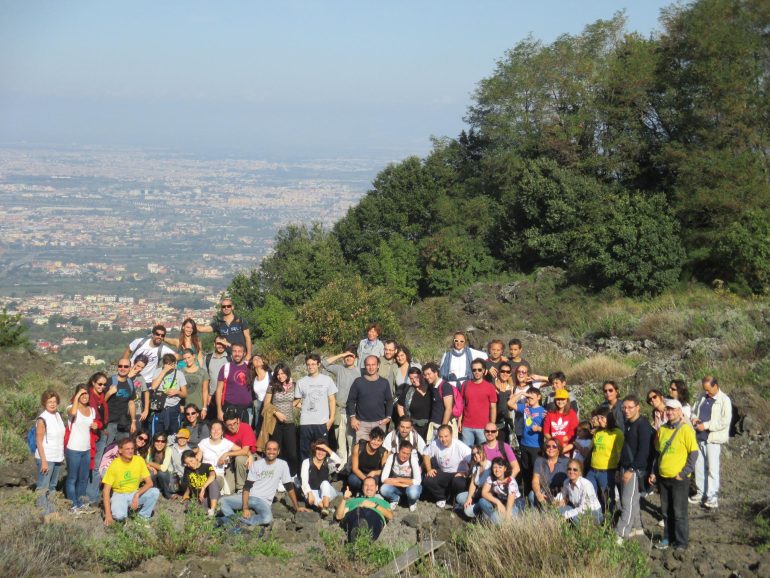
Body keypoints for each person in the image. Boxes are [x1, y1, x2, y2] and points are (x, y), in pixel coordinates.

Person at [649, 398, 699, 551]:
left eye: (672, 410)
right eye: (667, 410)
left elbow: (694, 453)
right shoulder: (662, 430)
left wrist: (683, 473)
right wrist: (653, 472)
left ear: (679, 411)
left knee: (679, 512)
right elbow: (658, 453)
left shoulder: (686, 430)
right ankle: (667, 538)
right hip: (663, 477)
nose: (669, 412)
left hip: (679, 479)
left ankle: (681, 542)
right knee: (666, 511)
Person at [219, 440, 306, 525]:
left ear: (278, 452)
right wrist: (245, 507)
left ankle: (237, 521)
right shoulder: (256, 464)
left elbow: (289, 487)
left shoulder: (282, 465)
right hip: (249, 496)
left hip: (263, 501)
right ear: (265, 450)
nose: (271, 451)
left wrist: (296, 507)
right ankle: (234, 521)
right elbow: (247, 487)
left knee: (267, 518)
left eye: (274, 449)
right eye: (269, 449)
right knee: (222, 501)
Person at [616, 394, 654, 541]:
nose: (626, 410)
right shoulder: (628, 424)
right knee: (633, 500)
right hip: (625, 467)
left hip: (634, 469)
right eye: (624, 407)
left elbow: (643, 451)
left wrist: (631, 470)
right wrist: (621, 468)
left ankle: (620, 533)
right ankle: (636, 528)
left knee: (627, 502)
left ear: (638, 407)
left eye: (630, 407)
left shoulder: (643, 425)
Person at [690, 375, 732, 509]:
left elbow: (724, 422)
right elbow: (693, 411)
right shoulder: (702, 397)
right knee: (699, 467)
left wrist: (706, 425)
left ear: (715, 385)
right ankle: (701, 492)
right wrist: (694, 419)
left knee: (712, 469)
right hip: (699, 437)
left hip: (713, 439)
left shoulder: (724, 400)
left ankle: (712, 495)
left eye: (708, 390)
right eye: (705, 389)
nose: (706, 392)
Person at [102, 437, 160, 526]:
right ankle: (125, 512)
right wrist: (108, 514)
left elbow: (150, 483)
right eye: (127, 449)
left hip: (134, 492)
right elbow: (106, 491)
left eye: (132, 448)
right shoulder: (114, 465)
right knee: (118, 516)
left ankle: (142, 517)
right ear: (120, 450)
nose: (130, 451)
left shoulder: (139, 460)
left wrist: (137, 494)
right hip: (120, 494)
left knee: (155, 492)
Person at [322, 347, 360, 463]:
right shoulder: (339, 369)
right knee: (340, 441)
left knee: (352, 440)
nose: (348, 358)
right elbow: (324, 364)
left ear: (356, 358)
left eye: (351, 356)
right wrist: (341, 355)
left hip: (353, 412)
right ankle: (341, 466)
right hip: (339, 410)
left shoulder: (360, 371)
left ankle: (351, 465)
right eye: (346, 356)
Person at [295, 354, 337, 461]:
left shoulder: (327, 380)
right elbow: (296, 402)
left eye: (313, 364)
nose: (310, 366)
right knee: (305, 450)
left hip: (321, 422)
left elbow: (332, 400)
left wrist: (331, 419)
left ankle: (322, 474)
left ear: (318, 364)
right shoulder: (301, 382)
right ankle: (305, 475)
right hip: (305, 423)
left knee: (322, 450)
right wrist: (304, 407)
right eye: (308, 364)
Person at [421, 425, 471, 508]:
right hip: (444, 473)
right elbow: (425, 454)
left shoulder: (460, 446)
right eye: (441, 436)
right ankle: (441, 498)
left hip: (459, 473)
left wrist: (466, 473)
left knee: (458, 482)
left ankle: (455, 501)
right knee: (428, 480)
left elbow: (473, 460)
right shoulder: (435, 443)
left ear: (451, 435)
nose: (443, 439)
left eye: (446, 436)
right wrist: (429, 469)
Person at [65, 384, 97, 514]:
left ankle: (81, 502)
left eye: (86, 394)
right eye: (82, 394)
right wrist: (77, 396)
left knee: (83, 478)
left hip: (86, 449)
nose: (85, 396)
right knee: (72, 478)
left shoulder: (92, 410)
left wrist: (94, 426)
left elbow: (90, 426)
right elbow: (72, 413)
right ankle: (73, 505)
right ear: (77, 395)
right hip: (73, 448)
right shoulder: (71, 408)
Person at [586, 407, 624, 515]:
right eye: (598, 418)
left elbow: (620, 453)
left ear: (609, 418)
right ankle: (594, 518)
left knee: (607, 498)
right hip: (592, 470)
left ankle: (609, 520)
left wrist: (618, 470)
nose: (599, 421)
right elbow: (591, 449)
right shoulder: (598, 433)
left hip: (607, 471)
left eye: (602, 418)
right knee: (589, 494)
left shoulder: (617, 433)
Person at [263, 363, 299, 476]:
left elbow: (299, 397)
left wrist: (293, 404)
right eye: (278, 374)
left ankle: (293, 475)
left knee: (292, 452)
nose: (280, 376)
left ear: (287, 373)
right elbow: (266, 405)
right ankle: (279, 476)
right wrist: (276, 413)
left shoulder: (295, 385)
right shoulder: (272, 386)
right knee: (279, 452)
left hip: (290, 423)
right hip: (276, 423)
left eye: (282, 373)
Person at [347, 355, 393, 443]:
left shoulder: (384, 382)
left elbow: (389, 401)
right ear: (365, 366)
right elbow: (351, 401)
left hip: (379, 423)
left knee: (379, 451)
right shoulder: (358, 382)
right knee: (361, 451)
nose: (371, 367)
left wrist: (388, 417)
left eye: (373, 364)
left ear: (378, 365)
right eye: (368, 365)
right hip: (361, 424)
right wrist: (353, 418)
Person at [35, 390, 66, 519]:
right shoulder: (43, 419)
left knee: (52, 486)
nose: (52, 404)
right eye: (49, 402)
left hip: (57, 456)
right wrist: (43, 461)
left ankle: (52, 510)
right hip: (46, 457)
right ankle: (43, 513)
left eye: (54, 401)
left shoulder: (58, 415)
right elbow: (39, 441)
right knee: (43, 487)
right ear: (44, 403)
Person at [335, 477, 393, 542]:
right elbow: (338, 516)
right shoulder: (354, 500)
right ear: (362, 488)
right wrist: (344, 499)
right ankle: (360, 536)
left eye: (371, 485)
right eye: (366, 485)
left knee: (371, 515)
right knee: (359, 513)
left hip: (374, 517)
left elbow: (390, 516)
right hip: (355, 514)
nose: (368, 488)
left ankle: (358, 536)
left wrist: (374, 505)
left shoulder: (383, 502)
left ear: (376, 488)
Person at [458, 358, 497, 446]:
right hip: (467, 426)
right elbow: (462, 404)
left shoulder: (489, 387)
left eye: (479, 369)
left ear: (484, 370)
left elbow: (493, 407)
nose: (477, 372)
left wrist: (492, 425)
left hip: (484, 427)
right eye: (474, 370)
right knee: (467, 455)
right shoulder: (465, 384)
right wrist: (459, 421)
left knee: (484, 454)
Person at [196, 421, 242, 495]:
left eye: (218, 429)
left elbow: (241, 450)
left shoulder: (226, 443)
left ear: (222, 432)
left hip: (218, 475)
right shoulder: (204, 442)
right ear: (210, 431)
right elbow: (198, 458)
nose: (216, 431)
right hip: (205, 473)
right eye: (213, 429)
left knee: (214, 481)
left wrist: (227, 455)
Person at [300, 440, 343, 517]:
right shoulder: (307, 462)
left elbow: (339, 461)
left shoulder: (328, 462)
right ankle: (323, 508)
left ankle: (325, 505)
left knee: (325, 483)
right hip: (312, 492)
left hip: (326, 492)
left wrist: (327, 448)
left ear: (326, 452)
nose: (320, 453)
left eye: (323, 450)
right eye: (318, 449)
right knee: (312, 497)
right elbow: (304, 482)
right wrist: (309, 493)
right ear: (314, 450)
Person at [85, 372, 109, 504]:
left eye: (104, 384)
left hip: (100, 434)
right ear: (93, 382)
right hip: (89, 436)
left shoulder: (102, 398)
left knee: (95, 467)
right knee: (87, 466)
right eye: (100, 384)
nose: (102, 387)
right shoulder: (87, 397)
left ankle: (92, 498)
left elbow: (103, 417)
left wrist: (103, 429)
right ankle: (84, 496)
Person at [150, 353, 187, 436]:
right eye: (169, 364)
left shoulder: (179, 374)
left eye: (173, 364)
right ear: (164, 364)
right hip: (159, 407)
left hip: (173, 407)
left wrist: (177, 392)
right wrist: (164, 371)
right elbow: (153, 386)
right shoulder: (158, 371)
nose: (172, 366)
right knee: (158, 434)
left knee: (173, 433)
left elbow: (184, 394)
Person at [518, 387, 545, 497]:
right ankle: (526, 496)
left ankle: (537, 495)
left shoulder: (544, 412)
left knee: (536, 472)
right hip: (524, 445)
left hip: (536, 446)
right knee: (525, 471)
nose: (529, 399)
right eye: (527, 397)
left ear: (539, 397)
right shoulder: (525, 408)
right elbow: (510, 404)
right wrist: (521, 393)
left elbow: (549, 430)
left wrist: (539, 429)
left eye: (531, 396)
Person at [380, 441, 422, 511]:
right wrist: (400, 484)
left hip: (410, 486)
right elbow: (383, 479)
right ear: (398, 450)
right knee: (383, 489)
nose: (405, 456)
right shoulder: (392, 457)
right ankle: (395, 499)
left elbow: (418, 481)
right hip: (397, 486)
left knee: (413, 493)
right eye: (403, 452)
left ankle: (411, 501)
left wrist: (398, 479)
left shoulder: (413, 459)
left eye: (408, 454)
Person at [222, 408, 257, 493]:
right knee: (228, 490)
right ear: (225, 424)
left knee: (240, 459)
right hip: (231, 460)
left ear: (238, 420)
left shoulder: (245, 427)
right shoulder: (225, 433)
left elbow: (245, 451)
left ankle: (241, 488)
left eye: (235, 423)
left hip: (249, 457)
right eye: (229, 425)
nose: (233, 426)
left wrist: (227, 454)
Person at [215, 343, 251, 424]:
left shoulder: (250, 367)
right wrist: (219, 410)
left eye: (239, 351)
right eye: (234, 351)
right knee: (230, 434)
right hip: (230, 407)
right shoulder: (225, 368)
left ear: (244, 353)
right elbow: (219, 390)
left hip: (247, 408)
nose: (237, 354)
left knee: (246, 433)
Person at [478, 457, 521, 525]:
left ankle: (493, 520)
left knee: (509, 517)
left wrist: (507, 514)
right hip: (501, 501)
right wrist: (498, 503)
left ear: (505, 468)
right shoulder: (491, 478)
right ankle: (493, 518)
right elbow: (484, 492)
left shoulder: (511, 481)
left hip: (514, 503)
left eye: (500, 467)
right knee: (481, 501)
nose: (497, 470)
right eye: (494, 467)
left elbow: (510, 501)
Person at [559, 459, 602, 525]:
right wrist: (558, 501)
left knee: (576, 518)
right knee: (558, 511)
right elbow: (563, 494)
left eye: (575, 470)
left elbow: (583, 509)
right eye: (569, 469)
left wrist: (565, 515)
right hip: (577, 509)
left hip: (593, 512)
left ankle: (585, 532)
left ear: (580, 472)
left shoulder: (586, 485)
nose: (571, 471)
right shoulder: (566, 482)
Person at [105, 358, 137, 444]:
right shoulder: (109, 381)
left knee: (122, 450)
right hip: (109, 423)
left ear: (130, 368)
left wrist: (133, 422)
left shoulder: (130, 383)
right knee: (105, 450)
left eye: (126, 366)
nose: (122, 368)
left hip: (123, 424)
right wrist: (109, 393)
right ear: (117, 367)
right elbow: (101, 403)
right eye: (120, 366)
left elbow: (131, 402)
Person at [454, 444, 491, 518]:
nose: (476, 455)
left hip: (487, 496)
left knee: (467, 512)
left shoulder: (490, 466)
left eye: (478, 453)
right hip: (477, 494)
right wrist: (469, 498)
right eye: (473, 454)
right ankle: (474, 505)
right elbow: (473, 484)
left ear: (483, 452)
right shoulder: (475, 467)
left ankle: (482, 512)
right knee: (459, 497)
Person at [348, 427, 388, 495]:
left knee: (380, 481)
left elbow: (385, 470)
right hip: (360, 474)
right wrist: (366, 480)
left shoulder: (383, 452)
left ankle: (372, 493)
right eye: (374, 439)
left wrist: (374, 472)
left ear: (382, 441)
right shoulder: (359, 447)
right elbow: (354, 468)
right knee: (352, 479)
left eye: (379, 441)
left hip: (374, 476)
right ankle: (360, 491)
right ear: (369, 438)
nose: (376, 443)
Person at [422, 362, 455, 442]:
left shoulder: (445, 386)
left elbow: (448, 408)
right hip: (434, 425)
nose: (427, 377)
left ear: (436, 373)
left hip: (443, 425)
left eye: (429, 374)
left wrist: (443, 428)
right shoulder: (432, 386)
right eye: (425, 375)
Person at [531, 439, 569, 508]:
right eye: (548, 446)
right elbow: (535, 480)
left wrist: (565, 498)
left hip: (560, 494)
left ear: (559, 449)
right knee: (531, 495)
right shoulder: (539, 460)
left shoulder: (566, 462)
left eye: (554, 446)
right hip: (544, 491)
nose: (551, 448)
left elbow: (571, 482)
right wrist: (538, 493)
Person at [396, 368, 432, 441]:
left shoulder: (431, 389)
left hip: (430, 426)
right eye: (411, 378)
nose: (414, 380)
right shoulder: (409, 390)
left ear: (421, 376)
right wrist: (404, 420)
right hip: (414, 427)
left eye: (416, 377)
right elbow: (399, 405)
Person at [180, 450, 220, 515]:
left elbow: (213, 475)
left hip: (211, 497)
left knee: (213, 482)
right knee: (188, 506)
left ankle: (212, 510)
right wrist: (185, 495)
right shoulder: (187, 469)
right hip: (200, 500)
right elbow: (188, 484)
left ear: (196, 457)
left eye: (191, 461)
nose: (190, 465)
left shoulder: (207, 466)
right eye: (187, 463)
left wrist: (203, 488)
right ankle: (211, 512)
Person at [543, 388, 578, 457]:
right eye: (558, 399)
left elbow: (573, 433)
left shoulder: (571, 413)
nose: (560, 401)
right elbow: (546, 432)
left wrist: (561, 447)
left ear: (567, 400)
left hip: (566, 449)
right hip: (552, 448)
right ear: (555, 400)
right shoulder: (550, 413)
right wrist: (554, 443)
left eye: (563, 399)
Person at [204, 336, 231, 420]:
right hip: (212, 397)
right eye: (218, 343)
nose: (220, 346)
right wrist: (208, 394)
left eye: (223, 343)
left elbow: (242, 352)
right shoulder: (207, 358)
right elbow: (205, 378)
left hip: (227, 396)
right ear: (214, 344)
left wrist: (229, 344)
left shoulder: (230, 358)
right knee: (212, 422)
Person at [180, 349, 208, 416]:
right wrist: (181, 405)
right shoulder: (180, 372)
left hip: (199, 407)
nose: (187, 360)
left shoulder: (203, 372)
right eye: (184, 358)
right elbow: (179, 390)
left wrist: (204, 408)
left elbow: (205, 391)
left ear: (194, 356)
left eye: (189, 357)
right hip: (185, 407)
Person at [127, 356, 150, 432]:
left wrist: (146, 410)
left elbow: (146, 392)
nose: (139, 369)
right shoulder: (124, 374)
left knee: (134, 436)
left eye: (142, 367)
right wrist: (128, 377)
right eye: (138, 366)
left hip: (137, 411)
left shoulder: (140, 377)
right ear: (133, 363)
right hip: (125, 411)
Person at [492, 362, 514, 443]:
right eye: (503, 371)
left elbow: (511, 409)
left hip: (505, 423)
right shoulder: (491, 385)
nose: (505, 373)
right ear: (498, 372)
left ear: (510, 374)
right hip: (492, 422)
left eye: (508, 372)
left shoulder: (511, 388)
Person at [146, 432, 173, 498]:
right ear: (154, 441)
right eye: (157, 441)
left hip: (167, 475)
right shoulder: (150, 449)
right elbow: (146, 462)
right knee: (150, 472)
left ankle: (167, 493)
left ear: (165, 442)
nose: (160, 443)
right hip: (156, 473)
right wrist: (149, 466)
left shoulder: (168, 450)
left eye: (162, 441)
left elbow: (164, 468)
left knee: (162, 473)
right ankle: (155, 490)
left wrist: (150, 463)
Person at [249, 354, 271, 433]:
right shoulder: (253, 379)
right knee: (260, 433)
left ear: (263, 361)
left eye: (259, 358)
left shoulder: (271, 375)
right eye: (255, 359)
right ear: (252, 365)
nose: (257, 360)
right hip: (259, 409)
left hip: (270, 408)